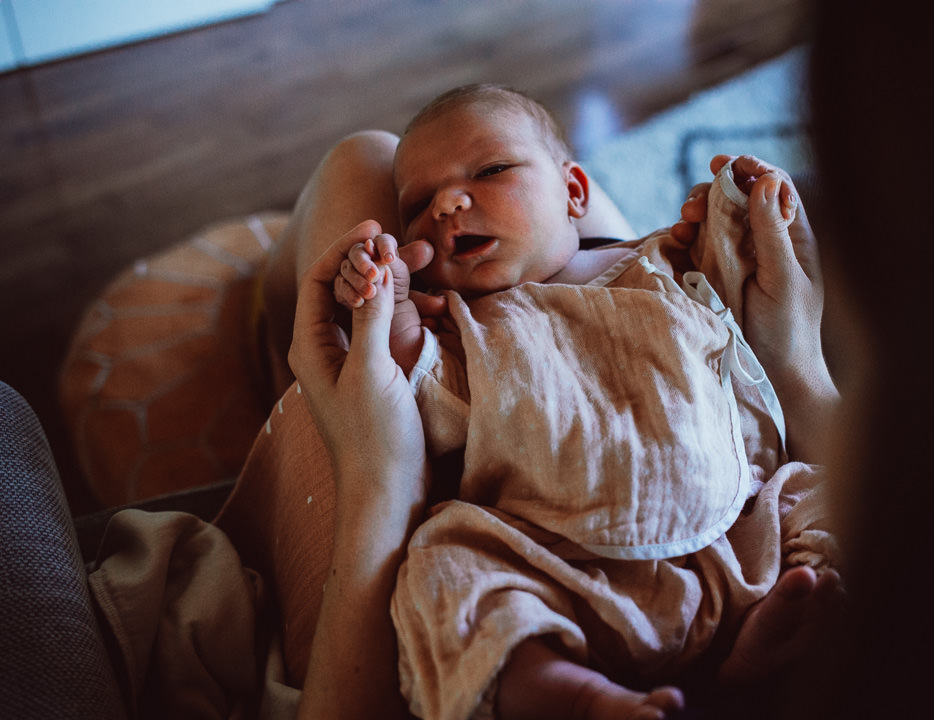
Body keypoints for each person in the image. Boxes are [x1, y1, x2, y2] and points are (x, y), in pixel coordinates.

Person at [329, 84, 841, 720]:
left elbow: (738, 280)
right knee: (439, 570)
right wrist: (391, 301)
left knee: (827, 497)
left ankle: (765, 635)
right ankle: (574, 694)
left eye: (490, 171)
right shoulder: (465, 329)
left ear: (576, 193)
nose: (449, 205)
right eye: (417, 208)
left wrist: (746, 199)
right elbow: (419, 394)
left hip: (738, 534)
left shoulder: (659, 260)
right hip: (564, 569)